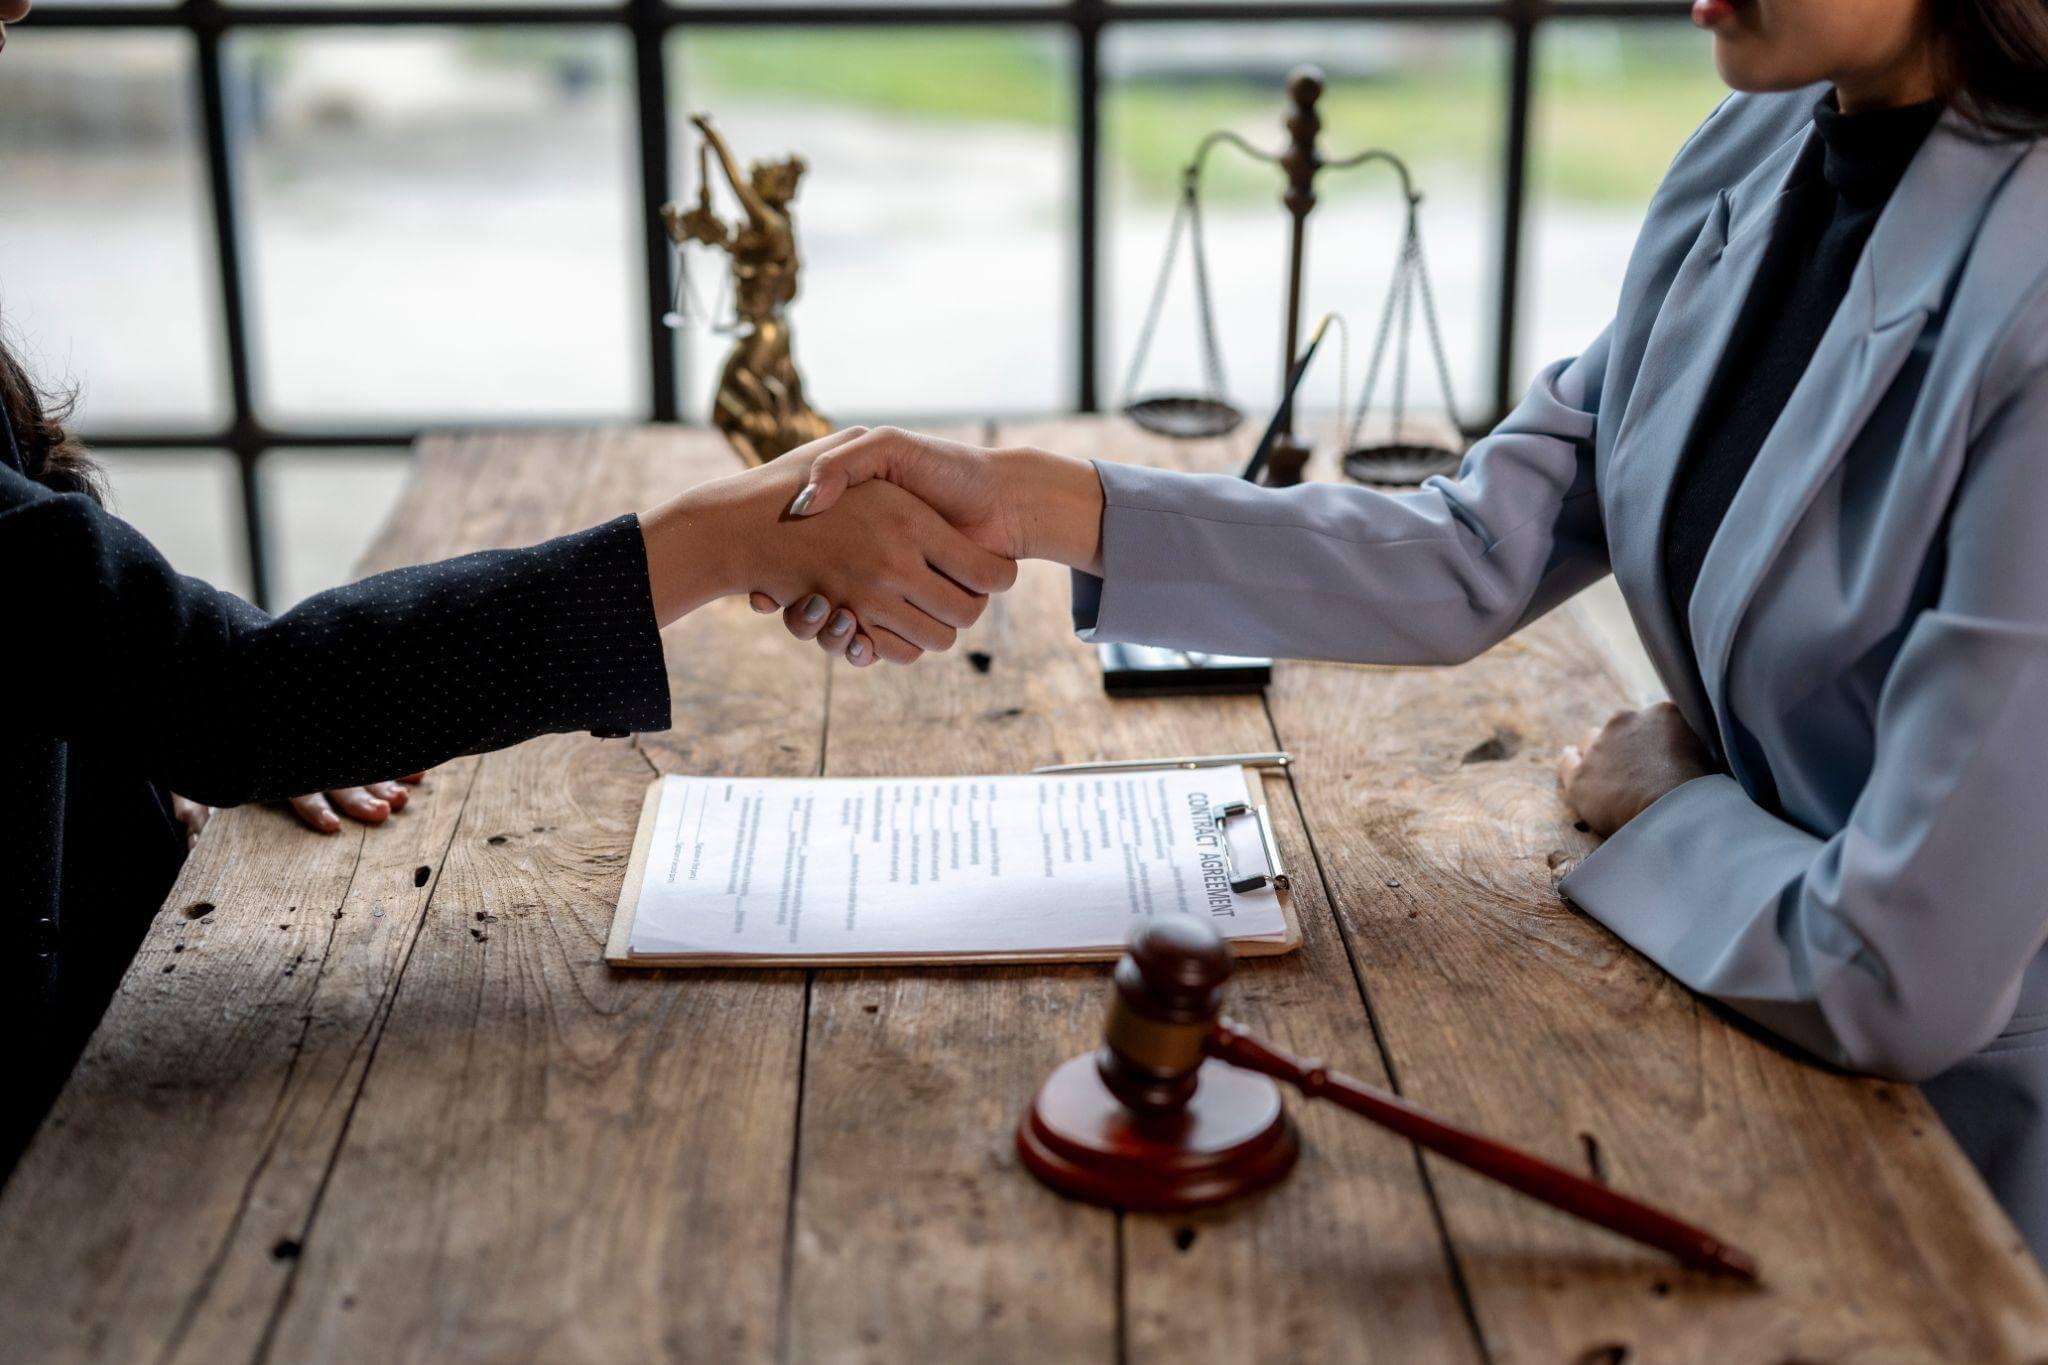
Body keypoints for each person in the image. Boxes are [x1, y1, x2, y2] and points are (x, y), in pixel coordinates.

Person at [767, 0, 2048, 1257]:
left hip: (1946, 1175)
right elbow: (1475, 544)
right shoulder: (1758, 145)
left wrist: (1667, 808)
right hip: (1717, 1044)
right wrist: (1040, 499)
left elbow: (1898, 973)